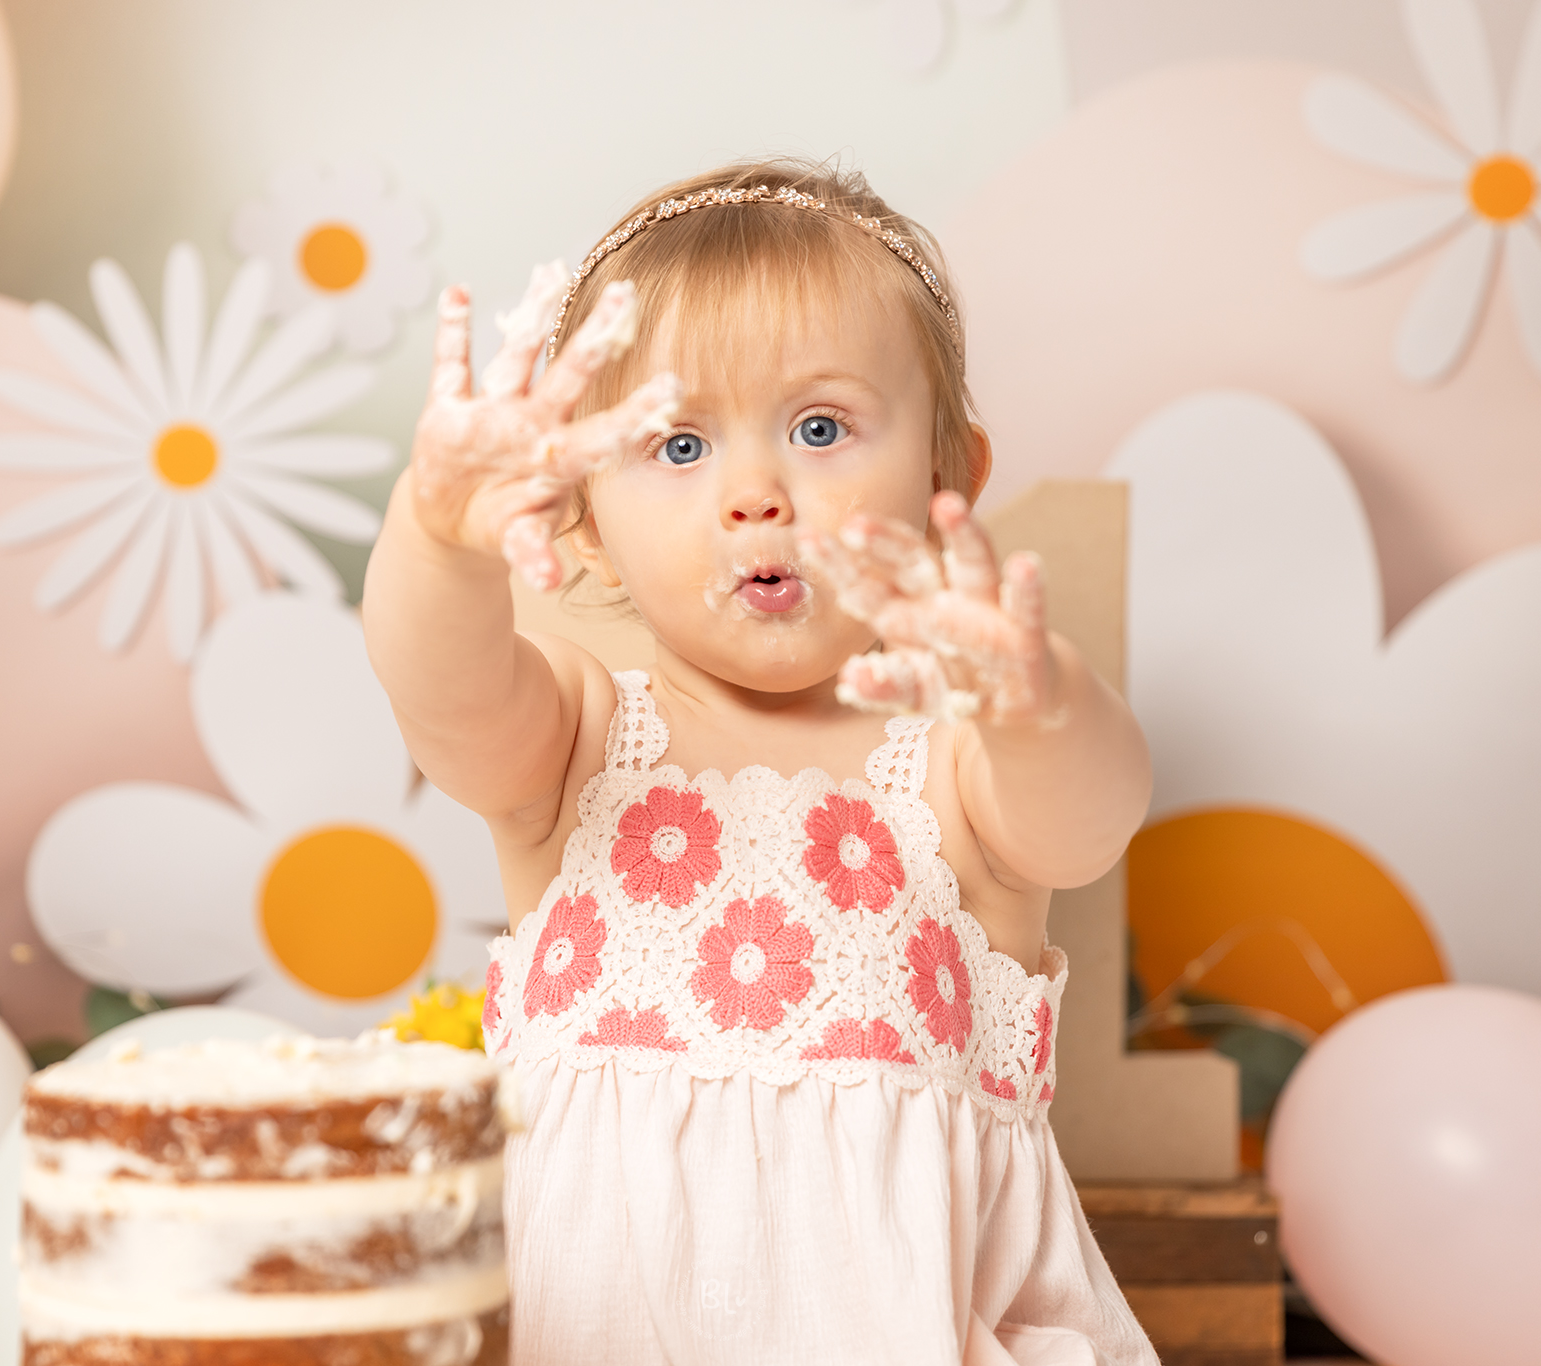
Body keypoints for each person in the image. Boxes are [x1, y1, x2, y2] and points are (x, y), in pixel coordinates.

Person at [364, 158, 1158, 1366]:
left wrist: (1034, 702)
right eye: (677, 445)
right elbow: (442, 692)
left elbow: (1089, 818)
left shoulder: (953, 754)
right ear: (581, 524)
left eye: (820, 427)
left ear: (948, 476)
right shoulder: (577, 739)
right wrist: (434, 533)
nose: (753, 494)